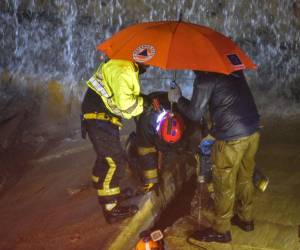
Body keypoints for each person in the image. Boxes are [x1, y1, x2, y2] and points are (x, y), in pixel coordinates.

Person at [168, 70, 260, 243]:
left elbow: (195, 114)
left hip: (231, 139)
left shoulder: (205, 78)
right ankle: (246, 219)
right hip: (253, 131)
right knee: (245, 177)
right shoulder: (234, 70)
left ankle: (221, 231)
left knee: (224, 184)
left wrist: (177, 99)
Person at [81, 58, 148, 224]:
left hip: (98, 116)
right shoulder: (124, 69)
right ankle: (111, 208)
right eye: (149, 61)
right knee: (116, 162)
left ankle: (105, 188)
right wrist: (143, 103)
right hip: (99, 119)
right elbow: (127, 108)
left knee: (106, 155)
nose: (151, 65)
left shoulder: (122, 63)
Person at [126, 91, 206, 193]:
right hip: (150, 111)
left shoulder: (191, 119)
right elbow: (146, 151)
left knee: (189, 151)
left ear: (184, 127)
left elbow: (202, 140)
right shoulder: (146, 122)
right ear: (159, 132)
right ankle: (132, 152)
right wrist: (152, 179)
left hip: (175, 110)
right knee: (142, 150)